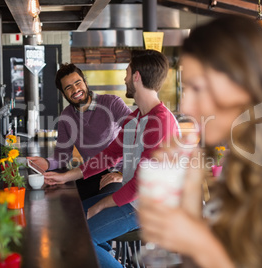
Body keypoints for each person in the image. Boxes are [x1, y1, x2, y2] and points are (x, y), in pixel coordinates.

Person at [138, 15, 262, 268]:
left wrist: (200, 243)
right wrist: (188, 197)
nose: (185, 105)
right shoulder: (243, 163)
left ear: (243, 85)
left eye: (197, 88)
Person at [44, 49, 179, 267]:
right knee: (72, 220)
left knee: (81, 237)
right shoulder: (136, 118)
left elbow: (141, 184)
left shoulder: (159, 121)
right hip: (134, 199)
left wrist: (101, 205)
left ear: (136, 77)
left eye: (127, 73)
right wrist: (64, 176)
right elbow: (109, 155)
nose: (124, 78)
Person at [28, 63, 132, 200]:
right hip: (90, 172)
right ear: (63, 93)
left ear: (85, 82)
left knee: (101, 206)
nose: (76, 89)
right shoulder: (66, 117)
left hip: (118, 172)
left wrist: (125, 175)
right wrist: (46, 163)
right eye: (68, 87)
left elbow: (137, 134)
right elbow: (62, 155)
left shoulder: (112, 103)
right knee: (65, 200)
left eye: (78, 83)